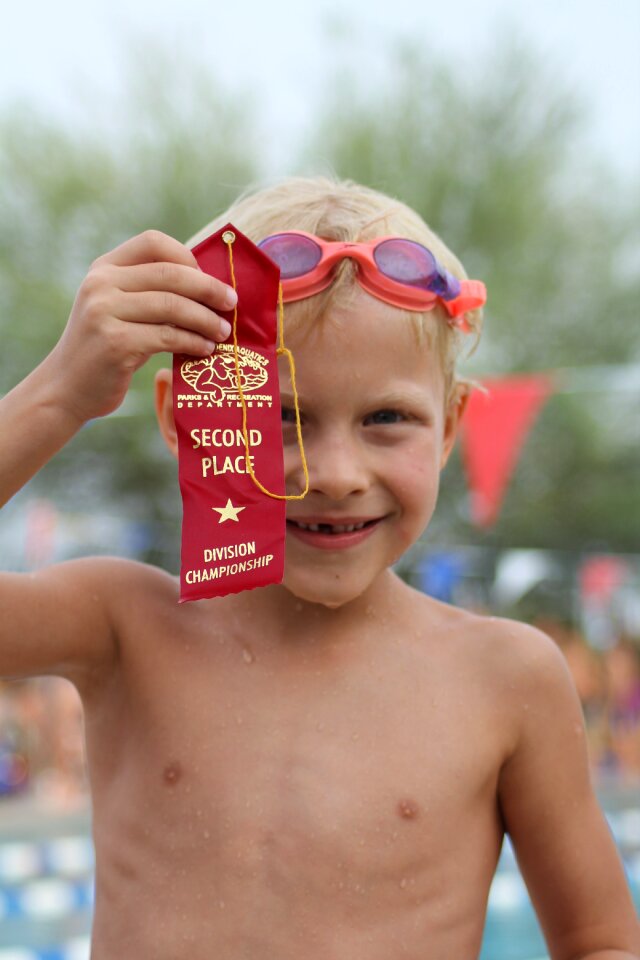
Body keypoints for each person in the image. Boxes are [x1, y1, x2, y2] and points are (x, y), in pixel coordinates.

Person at [1, 175, 638, 959]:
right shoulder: (124, 625)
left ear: (450, 428)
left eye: (387, 419)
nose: (334, 473)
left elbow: (601, 942)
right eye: (281, 418)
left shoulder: (506, 678)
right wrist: (58, 395)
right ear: (184, 421)